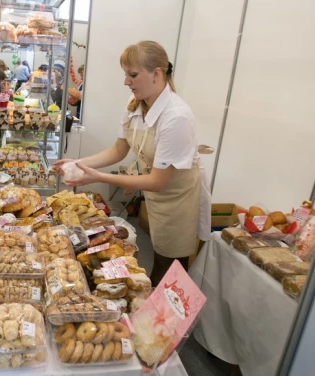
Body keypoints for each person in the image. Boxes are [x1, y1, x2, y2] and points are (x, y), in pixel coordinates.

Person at [55, 41, 211, 286]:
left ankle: (166, 320)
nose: (126, 81)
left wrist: (97, 176)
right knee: (156, 257)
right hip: (155, 190)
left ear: (157, 74)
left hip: (177, 198)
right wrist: (79, 162)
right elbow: (119, 150)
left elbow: (158, 181)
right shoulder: (136, 104)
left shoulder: (176, 116)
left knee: (168, 269)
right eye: (125, 74)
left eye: (133, 74)